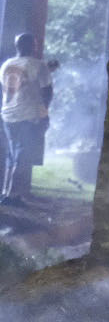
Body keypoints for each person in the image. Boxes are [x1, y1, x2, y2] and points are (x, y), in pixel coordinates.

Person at [1, 32, 54, 206]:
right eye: (35, 44)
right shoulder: (39, 65)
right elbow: (47, 92)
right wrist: (44, 115)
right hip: (28, 116)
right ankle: (13, 195)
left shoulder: (7, 65)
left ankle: (7, 191)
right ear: (32, 46)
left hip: (8, 114)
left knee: (12, 154)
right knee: (22, 156)